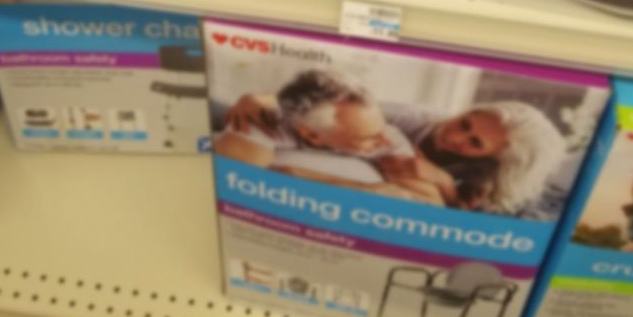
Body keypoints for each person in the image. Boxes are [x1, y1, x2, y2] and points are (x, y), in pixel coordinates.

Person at [225, 92, 565, 216]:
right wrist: (258, 98)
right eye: (465, 123)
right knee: (226, 110)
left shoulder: (487, 175)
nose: (455, 136)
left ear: (491, 158)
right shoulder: (410, 118)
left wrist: (445, 183)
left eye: (474, 143)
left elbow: (453, 212)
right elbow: (333, 106)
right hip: (311, 131)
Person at [215, 70, 443, 203]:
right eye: (369, 137)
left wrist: (296, 176)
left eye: (382, 129)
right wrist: (363, 190)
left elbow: (427, 204)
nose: (387, 142)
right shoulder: (262, 123)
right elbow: (235, 184)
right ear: (313, 136)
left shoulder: (388, 138)